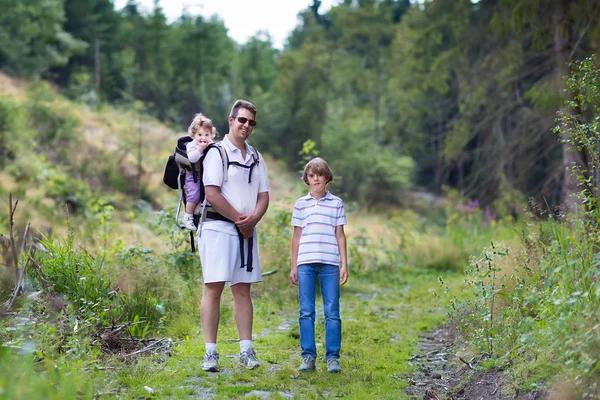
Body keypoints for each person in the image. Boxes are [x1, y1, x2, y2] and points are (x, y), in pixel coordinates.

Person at [198, 99, 269, 372]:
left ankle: (246, 351)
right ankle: (210, 353)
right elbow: (212, 193)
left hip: (246, 230)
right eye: (242, 120)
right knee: (213, 287)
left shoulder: (256, 156)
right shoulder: (217, 152)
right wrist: (242, 220)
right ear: (231, 120)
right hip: (218, 228)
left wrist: (253, 220)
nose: (246, 126)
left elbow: (264, 195)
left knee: (242, 290)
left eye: (251, 122)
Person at [290, 157, 348, 373]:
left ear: (326, 178)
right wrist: (294, 265)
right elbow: (296, 237)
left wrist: (344, 264)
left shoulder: (336, 203)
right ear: (307, 179)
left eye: (320, 175)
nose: (316, 179)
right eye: (312, 175)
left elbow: (340, 235)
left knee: (332, 311)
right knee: (306, 312)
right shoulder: (300, 204)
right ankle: (308, 357)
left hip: (330, 263)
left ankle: (333, 357)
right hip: (305, 262)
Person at [182, 113, 216, 231]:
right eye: (199, 134)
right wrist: (200, 149)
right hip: (193, 175)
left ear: (211, 135)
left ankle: (202, 212)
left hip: (205, 175)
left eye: (207, 134)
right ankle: (188, 216)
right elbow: (192, 158)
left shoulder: (211, 144)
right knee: (194, 194)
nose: (203, 138)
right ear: (194, 134)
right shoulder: (192, 145)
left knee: (210, 192)